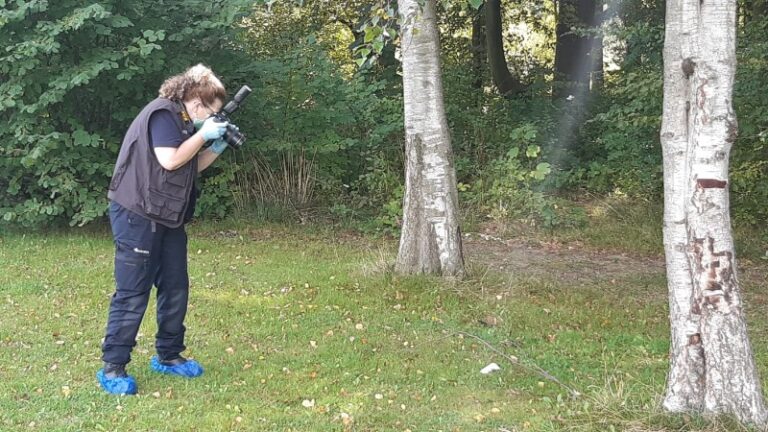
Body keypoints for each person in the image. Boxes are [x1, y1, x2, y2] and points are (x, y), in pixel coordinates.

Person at [97, 64, 232, 395]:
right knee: (133, 291)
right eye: (210, 113)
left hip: (168, 215)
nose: (209, 119)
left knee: (175, 286)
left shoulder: (186, 122)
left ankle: (169, 356)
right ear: (197, 103)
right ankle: (113, 367)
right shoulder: (162, 114)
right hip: (137, 212)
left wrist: (214, 147)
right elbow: (169, 160)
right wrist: (203, 135)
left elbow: (190, 165)